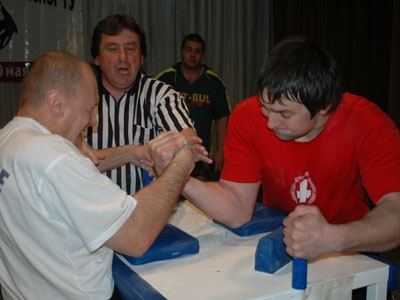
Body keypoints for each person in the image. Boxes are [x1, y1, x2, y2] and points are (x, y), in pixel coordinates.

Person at [165, 36, 400, 262]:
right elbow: (236, 208)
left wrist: (332, 238)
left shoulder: (367, 123)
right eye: (266, 107)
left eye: (285, 114)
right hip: (282, 245)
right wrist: (178, 176)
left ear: (324, 106)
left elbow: (396, 212)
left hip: (351, 251)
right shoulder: (248, 116)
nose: (271, 122)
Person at [0, 50, 202, 299]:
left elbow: (57, 188)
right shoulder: (55, 158)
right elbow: (136, 236)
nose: (94, 120)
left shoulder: (9, 140)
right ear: (56, 103)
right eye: (90, 108)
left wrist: (129, 153)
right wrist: (180, 166)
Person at [84, 15, 207, 194]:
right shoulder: (77, 97)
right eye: (112, 49)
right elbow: (65, 163)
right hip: (89, 211)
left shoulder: (160, 94)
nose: (123, 57)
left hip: (145, 211)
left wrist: (187, 146)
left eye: (130, 48)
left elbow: (186, 136)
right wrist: (130, 153)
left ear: (142, 58)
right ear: (97, 58)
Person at [156, 34, 231, 180]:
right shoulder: (166, 79)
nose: (192, 55)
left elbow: (223, 117)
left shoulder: (214, 82)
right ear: (181, 52)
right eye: (188, 50)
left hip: (202, 158)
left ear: (202, 55)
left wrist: (221, 150)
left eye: (197, 51)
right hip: (170, 156)